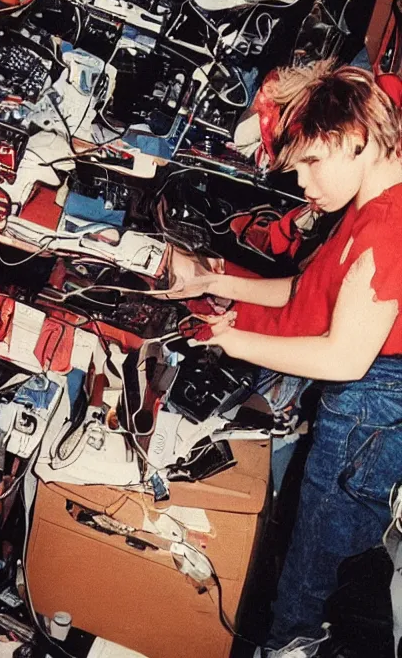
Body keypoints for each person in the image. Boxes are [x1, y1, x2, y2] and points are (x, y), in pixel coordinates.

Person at [165, 61, 402, 656]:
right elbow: (304, 291)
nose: (301, 184)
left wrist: (230, 339)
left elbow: (346, 357)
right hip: (370, 398)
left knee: (312, 590)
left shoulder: (389, 226)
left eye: (310, 162)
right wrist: (212, 281)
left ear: (357, 140)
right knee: (313, 567)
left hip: (373, 409)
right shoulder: (373, 195)